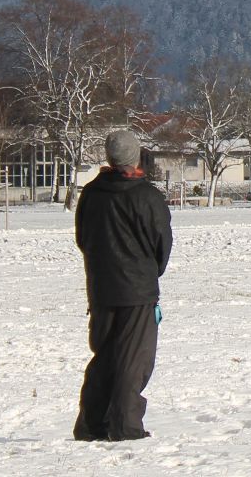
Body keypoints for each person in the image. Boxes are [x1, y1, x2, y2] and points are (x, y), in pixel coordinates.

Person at [73, 129, 173, 442]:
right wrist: (150, 272)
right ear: (135, 157)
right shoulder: (147, 196)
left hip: (101, 288)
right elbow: (162, 243)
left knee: (105, 355)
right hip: (137, 291)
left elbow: (83, 238)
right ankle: (125, 425)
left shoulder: (91, 194)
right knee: (135, 359)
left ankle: (92, 423)